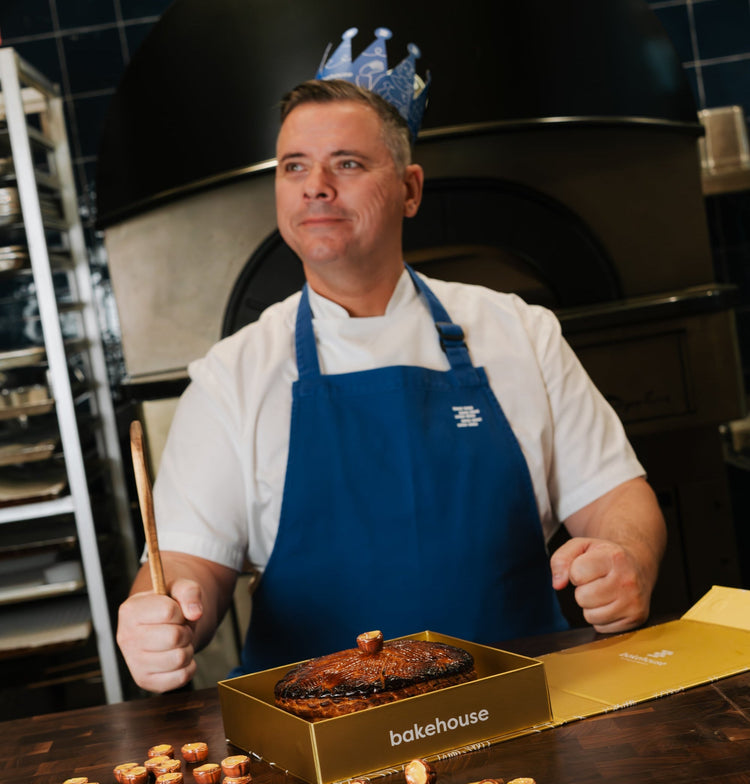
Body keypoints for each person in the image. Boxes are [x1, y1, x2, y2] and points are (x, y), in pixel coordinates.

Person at [117, 29, 666, 694]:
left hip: (522, 704)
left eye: (346, 163)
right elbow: (183, 561)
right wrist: (159, 612)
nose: (315, 187)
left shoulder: (518, 331)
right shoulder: (232, 375)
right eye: (294, 166)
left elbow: (616, 497)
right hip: (314, 739)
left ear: (410, 190)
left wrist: (624, 556)